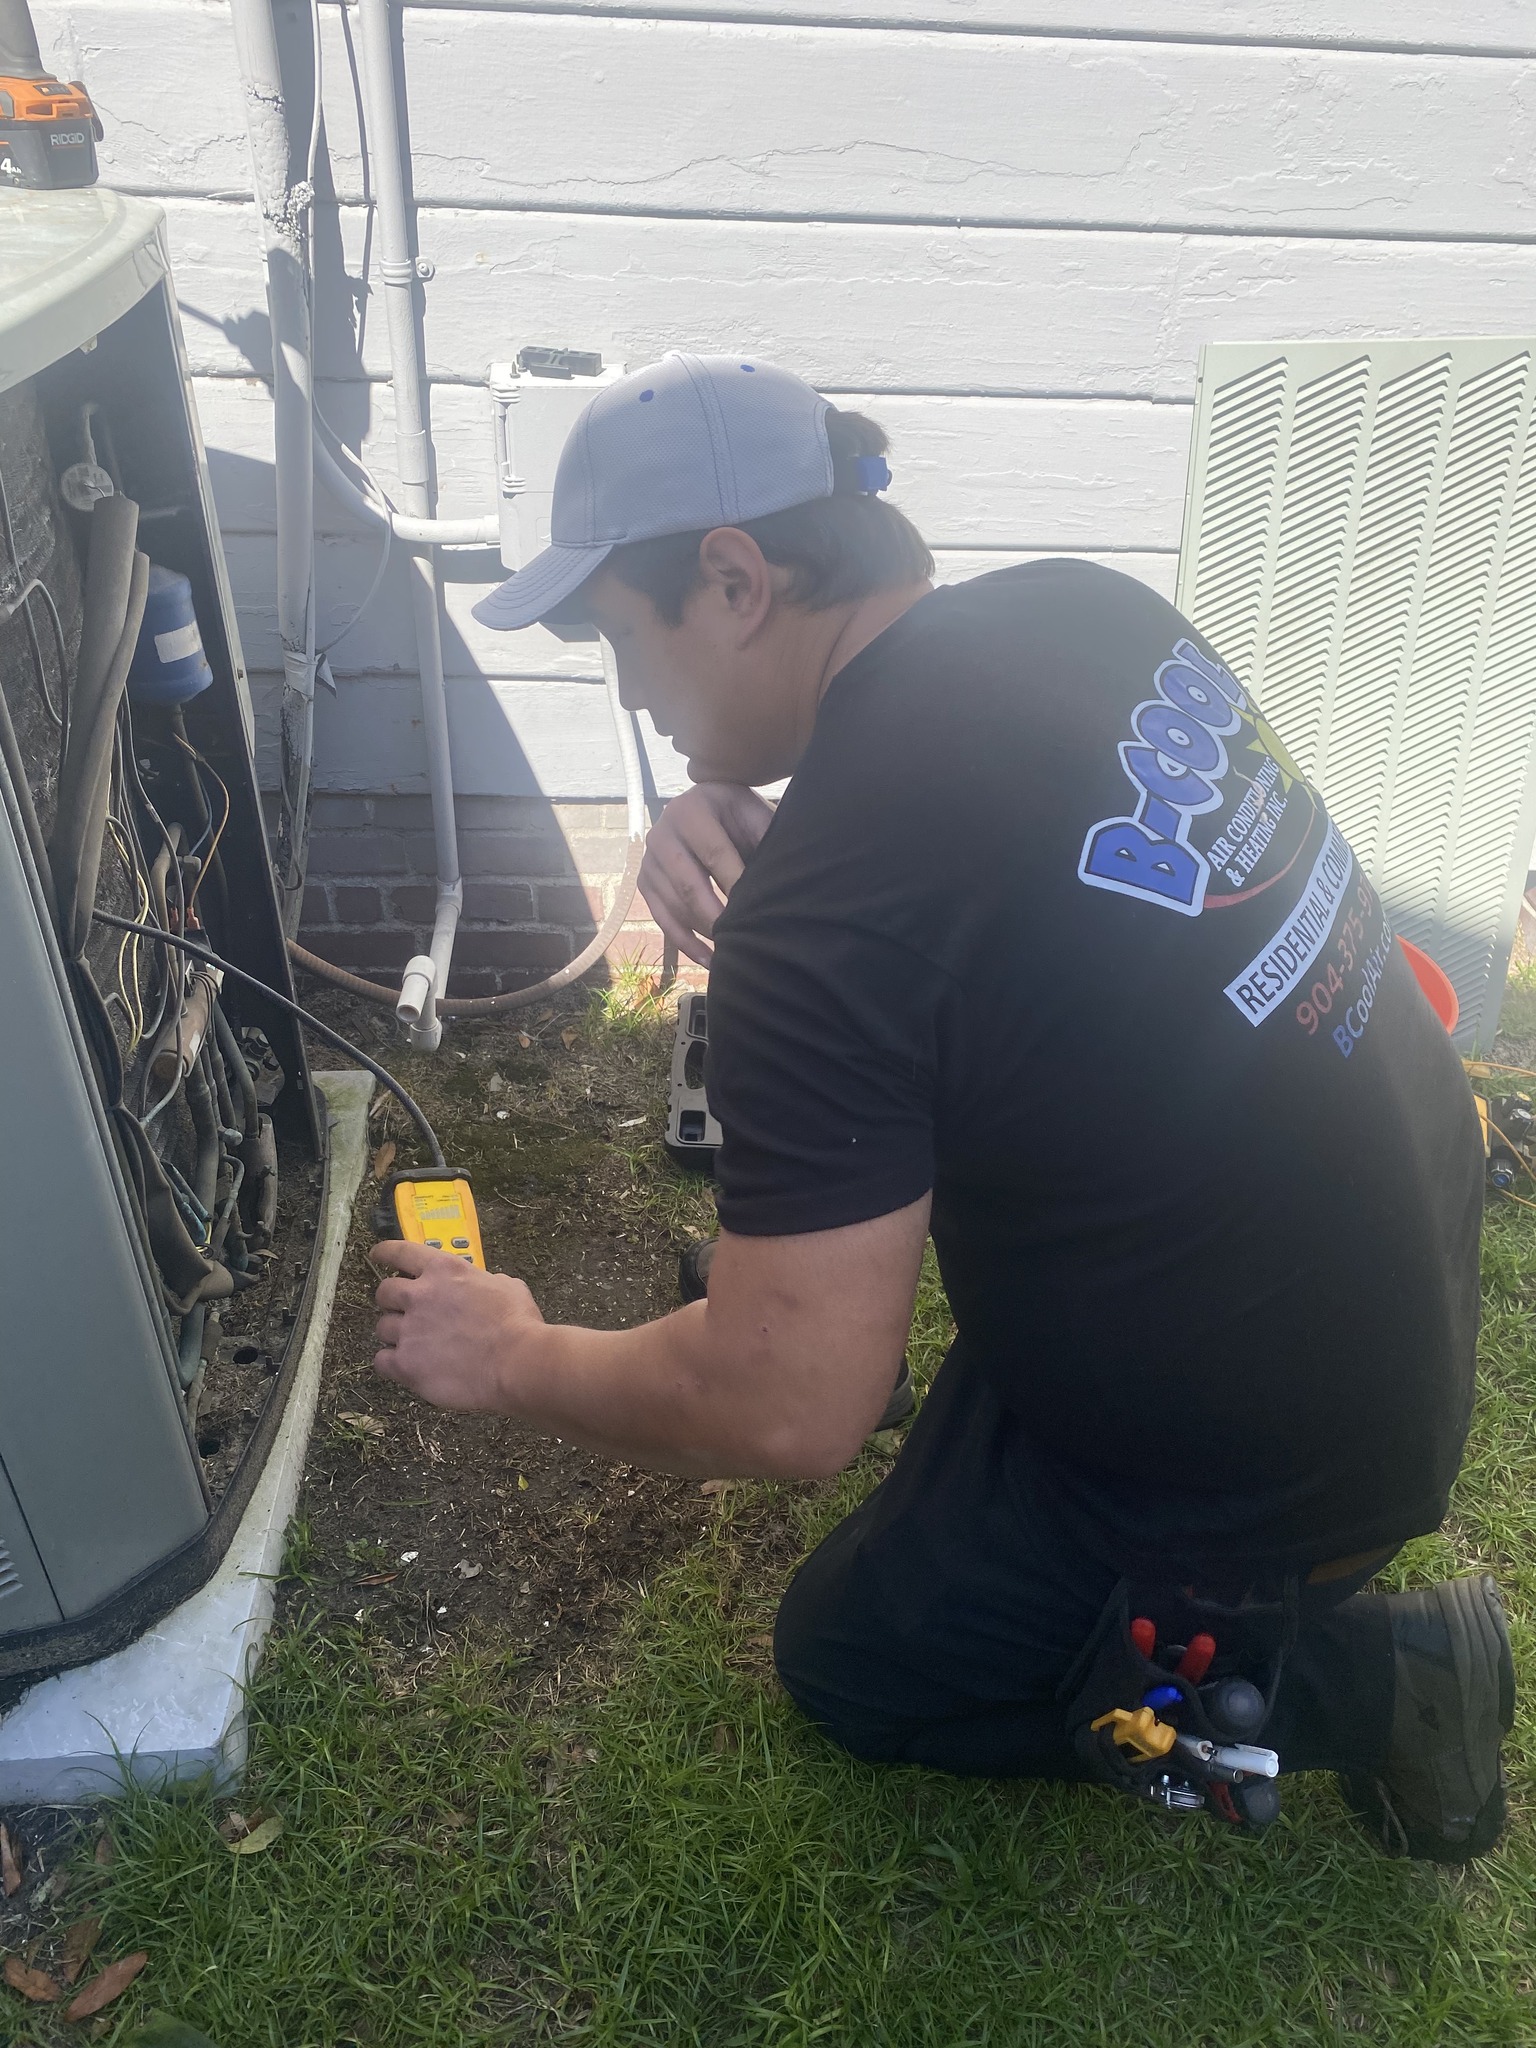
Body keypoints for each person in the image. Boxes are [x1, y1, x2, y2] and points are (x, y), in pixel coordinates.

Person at [370, 352, 1512, 1861]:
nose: (629, 686)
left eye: (615, 634)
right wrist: (793, 853)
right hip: (1387, 1299)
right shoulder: (1081, 610)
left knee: (857, 1663)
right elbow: (1006, 910)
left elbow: (784, 1411)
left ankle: (1389, 1681)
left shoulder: (836, 913)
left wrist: (515, 1356)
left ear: (733, 581)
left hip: (1274, 1468)